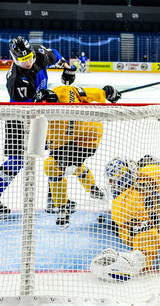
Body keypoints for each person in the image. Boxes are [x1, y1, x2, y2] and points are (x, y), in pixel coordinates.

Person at [0, 36, 73, 218]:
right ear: (14, 59)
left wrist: (67, 68)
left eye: (30, 57)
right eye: (23, 60)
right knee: (17, 161)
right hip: (19, 119)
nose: (29, 62)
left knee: (57, 153)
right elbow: (27, 106)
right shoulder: (16, 80)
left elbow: (55, 55)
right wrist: (43, 98)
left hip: (40, 117)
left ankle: (54, 200)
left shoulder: (38, 53)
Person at [34, 84, 121, 225]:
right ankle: (84, 193)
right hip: (65, 142)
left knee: (62, 165)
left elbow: (87, 92)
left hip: (89, 136)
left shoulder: (65, 92)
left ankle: (65, 204)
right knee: (56, 166)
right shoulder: (48, 127)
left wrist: (106, 93)